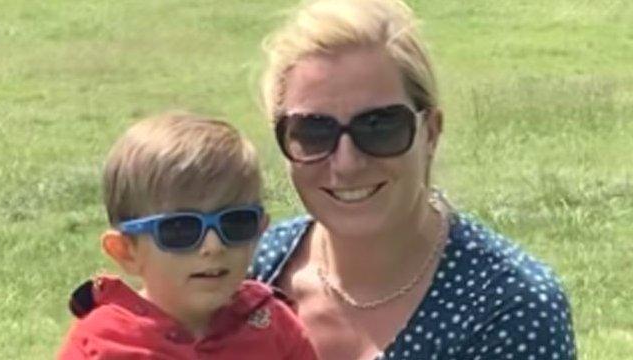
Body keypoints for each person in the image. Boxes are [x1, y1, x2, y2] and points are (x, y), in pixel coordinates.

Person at [250, 0, 577, 359]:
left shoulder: (511, 307)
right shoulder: (247, 269)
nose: (346, 162)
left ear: (430, 133)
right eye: (313, 131)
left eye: (380, 127)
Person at [58, 112, 318, 359]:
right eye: (180, 229)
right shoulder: (99, 344)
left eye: (236, 223)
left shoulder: (273, 326)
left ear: (260, 230)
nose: (213, 245)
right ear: (126, 251)